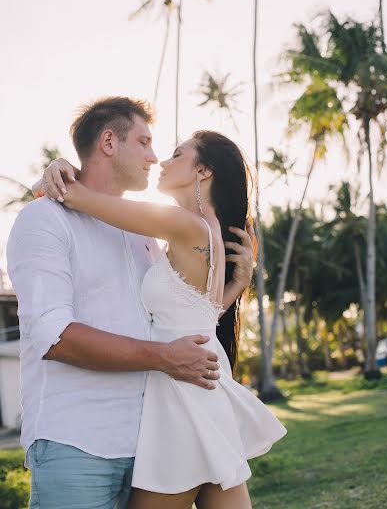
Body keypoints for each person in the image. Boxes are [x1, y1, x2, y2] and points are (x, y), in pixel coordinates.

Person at [6, 97, 255, 509]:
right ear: (109, 141)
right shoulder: (46, 221)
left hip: (155, 425)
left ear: (202, 170)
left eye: (171, 152)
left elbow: (183, 320)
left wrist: (53, 178)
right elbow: (55, 337)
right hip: (79, 441)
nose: (155, 158)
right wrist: (52, 180)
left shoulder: (152, 234)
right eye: (144, 142)